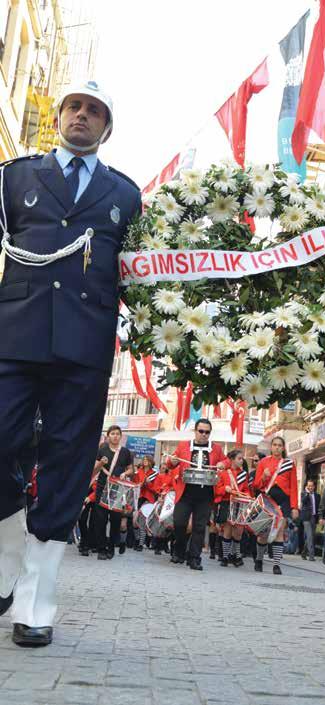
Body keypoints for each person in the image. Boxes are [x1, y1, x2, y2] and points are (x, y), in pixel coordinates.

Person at [0, 80, 141, 647]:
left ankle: (36, 600)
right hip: (14, 335)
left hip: (84, 348)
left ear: (107, 128)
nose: (82, 116)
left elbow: (141, 268)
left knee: (64, 465)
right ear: (59, 117)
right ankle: (10, 552)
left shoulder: (125, 195)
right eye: (74, 107)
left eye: (94, 112)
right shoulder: (14, 177)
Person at [168, 418, 226, 570]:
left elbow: (226, 461)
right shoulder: (183, 446)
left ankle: (194, 558)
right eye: (201, 431)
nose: (204, 435)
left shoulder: (216, 448)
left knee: (199, 527)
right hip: (185, 492)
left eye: (207, 432)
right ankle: (179, 550)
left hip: (205, 493)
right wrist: (172, 461)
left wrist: (222, 464)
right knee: (179, 523)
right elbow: (170, 463)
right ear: (195, 431)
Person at [253, 436, 299, 575]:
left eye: (280, 445)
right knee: (263, 533)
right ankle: (259, 559)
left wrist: (294, 507)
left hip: (283, 501)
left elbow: (294, 487)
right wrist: (264, 477)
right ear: (271, 447)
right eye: (275, 445)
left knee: (279, 532)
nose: (277, 447)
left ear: (283, 447)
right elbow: (256, 485)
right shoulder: (263, 462)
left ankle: (276, 565)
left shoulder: (289, 464)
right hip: (267, 499)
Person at [94, 426, 133, 560]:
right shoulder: (102, 449)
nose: (115, 436)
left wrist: (125, 473)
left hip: (117, 490)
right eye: (113, 434)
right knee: (100, 520)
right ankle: (101, 549)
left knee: (115, 521)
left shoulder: (125, 452)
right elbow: (95, 469)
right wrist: (101, 463)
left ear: (120, 436)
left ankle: (111, 547)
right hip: (102, 487)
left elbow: (131, 469)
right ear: (108, 435)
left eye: (117, 434)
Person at [214, 448, 251, 567]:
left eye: (242, 459)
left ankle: (235, 554)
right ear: (232, 460)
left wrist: (247, 495)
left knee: (238, 531)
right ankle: (225, 556)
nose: (241, 461)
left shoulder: (243, 474)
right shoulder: (223, 473)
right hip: (227, 502)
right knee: (227, 530)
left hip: (240, 504)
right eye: (239, 458)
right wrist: (225, 489)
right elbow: (216, 490)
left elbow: (246, 489)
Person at [300, 479, 320, 561]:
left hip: (314, 517)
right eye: (309, 486)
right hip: (306, 518)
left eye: (311, 486)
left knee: (311, 536)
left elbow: (319, 506)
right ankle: (311, 555)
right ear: (306, 487)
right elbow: (303, 501)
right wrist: (307, 493)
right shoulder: (303, 494)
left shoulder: (317, 495)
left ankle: (304, 553)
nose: (310, 487)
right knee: (309, 536)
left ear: (314, 487)